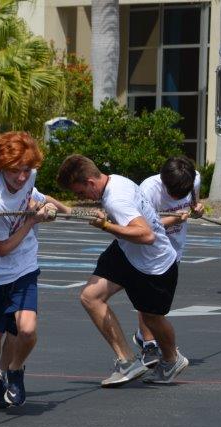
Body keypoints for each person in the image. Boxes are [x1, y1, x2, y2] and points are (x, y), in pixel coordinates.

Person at [57, 154, 188, 386]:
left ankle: (172, 359)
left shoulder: (116, 199)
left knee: (152, 318)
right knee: (90, 297)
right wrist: (52, 204)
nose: (81, 197)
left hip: (154, 264)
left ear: (90, 182)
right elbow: (89, 213)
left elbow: (146, 235)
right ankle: (127, 361)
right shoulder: (114, 180)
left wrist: (106, 226)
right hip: (126, 252)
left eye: (80, 192)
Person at [0, 132, 70, 407]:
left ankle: (14, 370)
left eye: (26, 169)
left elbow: (36, 196)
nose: (22, 177)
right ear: (1, 167)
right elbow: (2, 249)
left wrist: (64, 209)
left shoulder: (29, 176)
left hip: (23, 265)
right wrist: (32, 220)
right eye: (15, 171)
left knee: (26, 330)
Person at [132, 156, 204, 368]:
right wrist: (174, 218)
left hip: (174, 249)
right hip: (151, 248)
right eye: (173, 194)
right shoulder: (148, 190)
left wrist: (197, 209)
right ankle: (149, 344)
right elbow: (142, 227)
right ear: (164, 182)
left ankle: (143, 335)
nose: (176, 197)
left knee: (159, 304)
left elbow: (194, 205)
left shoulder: (194, 179)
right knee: (147, 298)